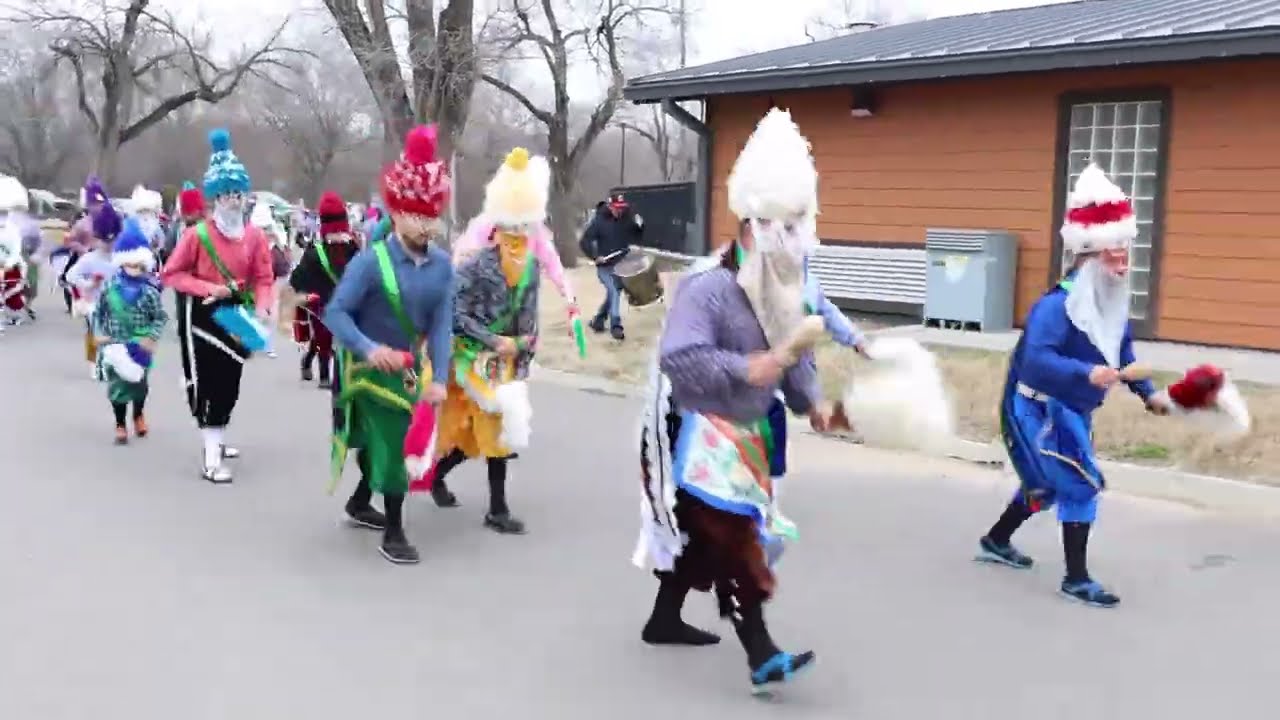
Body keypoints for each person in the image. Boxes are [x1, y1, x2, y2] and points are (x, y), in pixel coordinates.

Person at [635, 108, 830, 694]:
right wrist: (748, 366)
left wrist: (812, 402)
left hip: (749, 437)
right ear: (754, 223)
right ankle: (761, 654)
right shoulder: (709, 287)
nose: (795, 238)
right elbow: (678, 355)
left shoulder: (787, 290)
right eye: (784, 226)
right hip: (697, 434)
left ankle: (663, 619)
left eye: (799, 225)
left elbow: (796, 360)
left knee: (708, 542)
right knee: (736, 541)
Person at [975, 163, 1170, 608]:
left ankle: (996, 540)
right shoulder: (1055, 306)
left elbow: (1123, 355)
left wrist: (1149, 394)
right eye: (1114, 255)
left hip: (1071, 411)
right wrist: (1085, 373)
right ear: (1088, 257)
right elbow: (1036, 361)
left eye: (1125, 252)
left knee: (1046, 485)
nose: (1123, 263)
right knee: (1079, 485)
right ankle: (1076, 579)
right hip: (1038, 410)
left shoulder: (1109, 305)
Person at [427, 147, 580, 533]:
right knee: (496, 426)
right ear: (497, 228)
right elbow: (453, 313)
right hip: (474, 356)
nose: (517, 240)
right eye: (511, 232)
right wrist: (492, 340)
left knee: (482, 433)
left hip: (509, 359)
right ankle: (497, 509)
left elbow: (530, 314)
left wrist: (526, 344)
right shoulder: (475, 264)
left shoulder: (531, 267)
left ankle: (437, 475)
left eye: (523, 231)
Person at [324, 124, 455, 565]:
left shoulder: (443, 267)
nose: (424, 227)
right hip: (368, 369)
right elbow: (336, 313)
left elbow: (442, 323)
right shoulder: (369, 262)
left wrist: (441, 377)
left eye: (430, 217)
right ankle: (394, 530)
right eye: (415, 216)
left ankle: (360, 501)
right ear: (396, 212)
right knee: (395, 439)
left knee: (391, 438)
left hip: (410, 368)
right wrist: (369, 349)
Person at [160, 129, 274, 484]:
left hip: (237, 315)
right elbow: (171, 274)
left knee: (231, 383)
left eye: (238, 194)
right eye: (226, 195)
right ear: (215, 199)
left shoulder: (255, 236)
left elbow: (264, 277)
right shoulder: (196, 235)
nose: (233, 201)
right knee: (210, 384)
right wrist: (209, 288)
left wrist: (263, 306)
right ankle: (211, 456)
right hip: (203, 315)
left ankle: (218, 437)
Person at [91, 217, 167, 444]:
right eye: (129, 264)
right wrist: (97, 334)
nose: (134, 269)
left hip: (140, 345)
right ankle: (120, 424)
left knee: (139, 384)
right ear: (121, 263)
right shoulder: (109, 288)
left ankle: (138, 414)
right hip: (114, 342)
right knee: (117, 387)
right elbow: (98, 313)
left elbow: (160, 317)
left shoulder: (150, 292)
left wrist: (151, 337)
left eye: (138, 265)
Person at [290, 190, 359, 388]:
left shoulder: (352, 248)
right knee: (323, 335)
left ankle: (307, 360)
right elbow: (297, 279)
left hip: (342, 301)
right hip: (320, 303)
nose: (338, 235)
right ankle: (324, 375)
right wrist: (308, 295)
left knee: (330, 336)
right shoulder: (315, 252)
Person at [68, 202, 124, 379]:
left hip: (117, 303)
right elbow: (71, 276)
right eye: (104, 240)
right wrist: (89, 284)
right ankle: (94, 363)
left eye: (112, 240)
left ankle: (112, 362)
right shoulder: (89, 259)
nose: (108, 244)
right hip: (94, 303)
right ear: (97, 239)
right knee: (95, 331)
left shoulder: (122, 258)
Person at [578, 193, 642, 340]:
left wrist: (640, 226)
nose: (619, 211)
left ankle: (598, 321)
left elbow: (636, 235)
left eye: (621, 208)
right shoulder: (598, 222)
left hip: (621, 266)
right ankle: (616, 326)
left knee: (613, 294)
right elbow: (584, 242)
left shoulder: (626, 219)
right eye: (616, 208)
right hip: (605, 268)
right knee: (614, 291)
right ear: (610, 206)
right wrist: (595, 256)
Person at [0, 175, 39, 327]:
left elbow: (16, 249)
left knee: (13, 290)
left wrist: (8, 264)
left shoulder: (13, 229)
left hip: (11, 264)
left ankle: (17, 310)